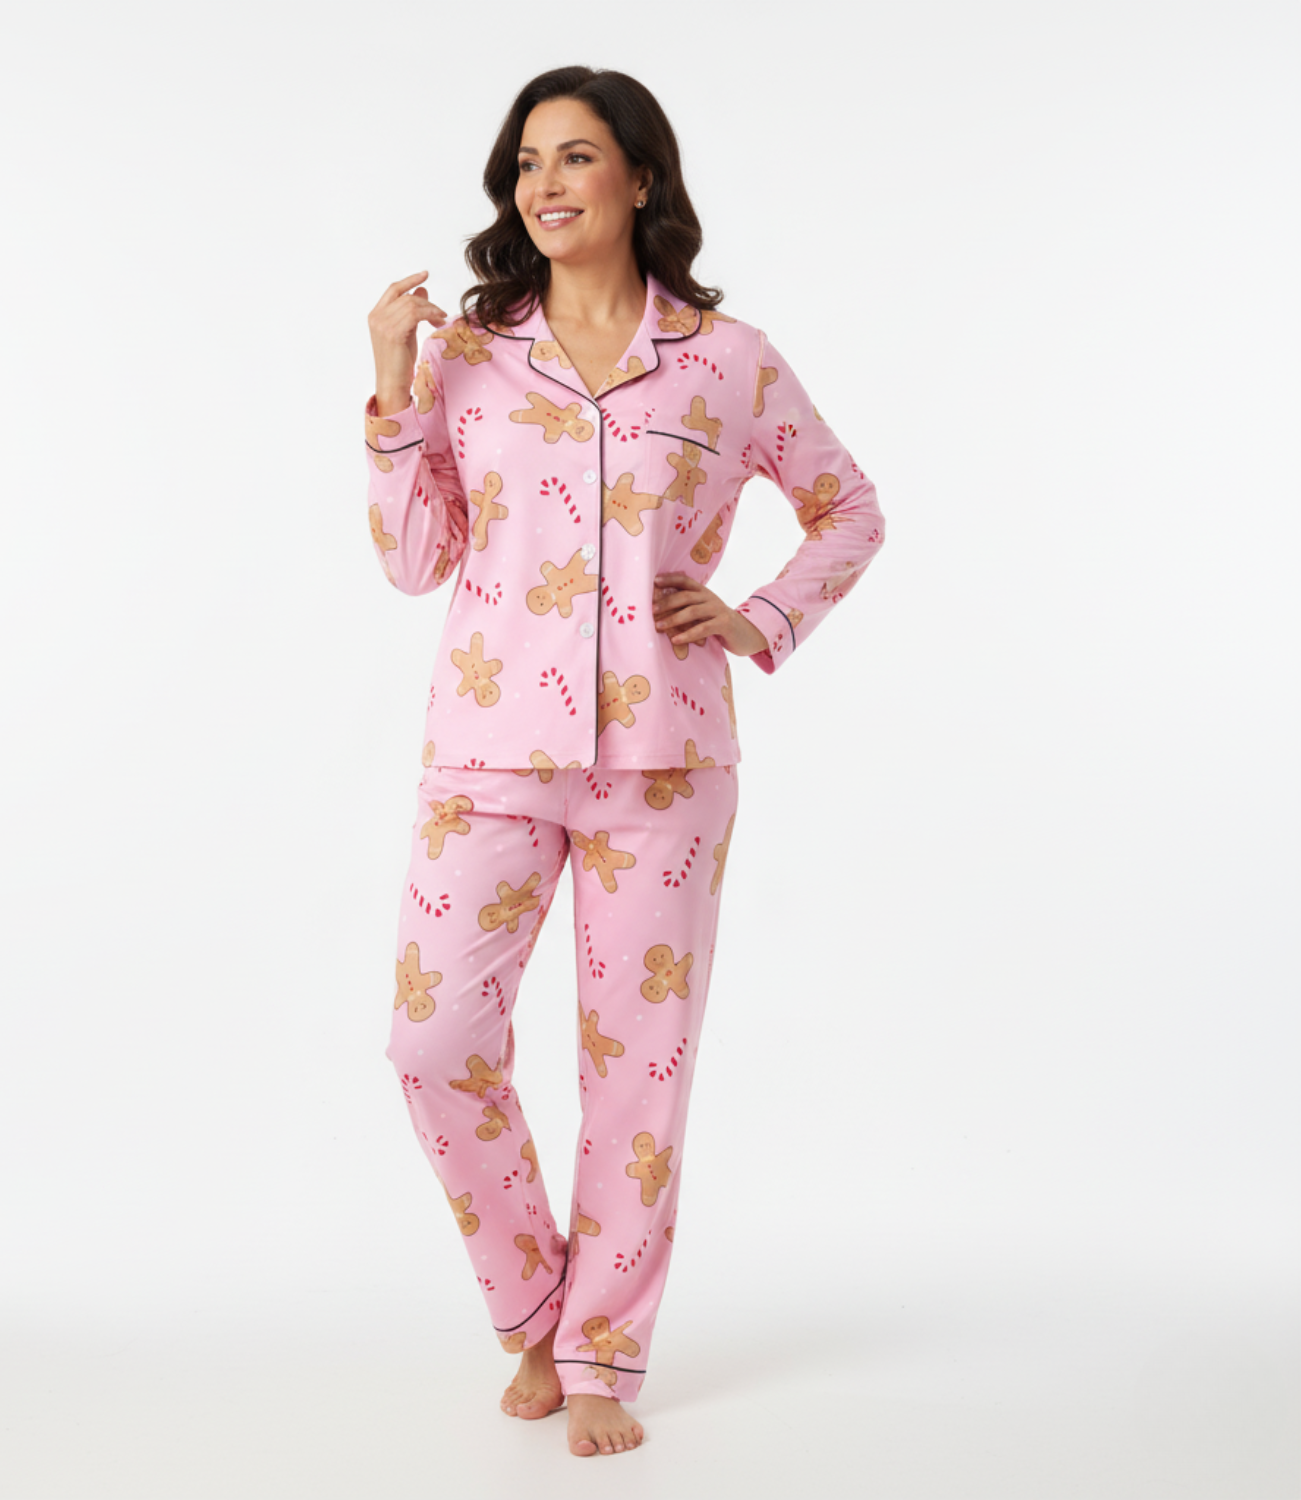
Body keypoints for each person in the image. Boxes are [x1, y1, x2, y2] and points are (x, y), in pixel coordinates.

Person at [363, 65, 886, 1458]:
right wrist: (392, 385)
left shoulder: (728, 360)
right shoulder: (468, 356)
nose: (545, 184)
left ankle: (599, 1349)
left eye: (577, 156)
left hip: (664, 757)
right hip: (487, 753)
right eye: (527, 161)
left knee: (636, 1072)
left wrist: (761, 617)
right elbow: (413, 559)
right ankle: (536, 1304)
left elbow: (847, 508)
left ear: (640, 177)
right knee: (432, 1040)